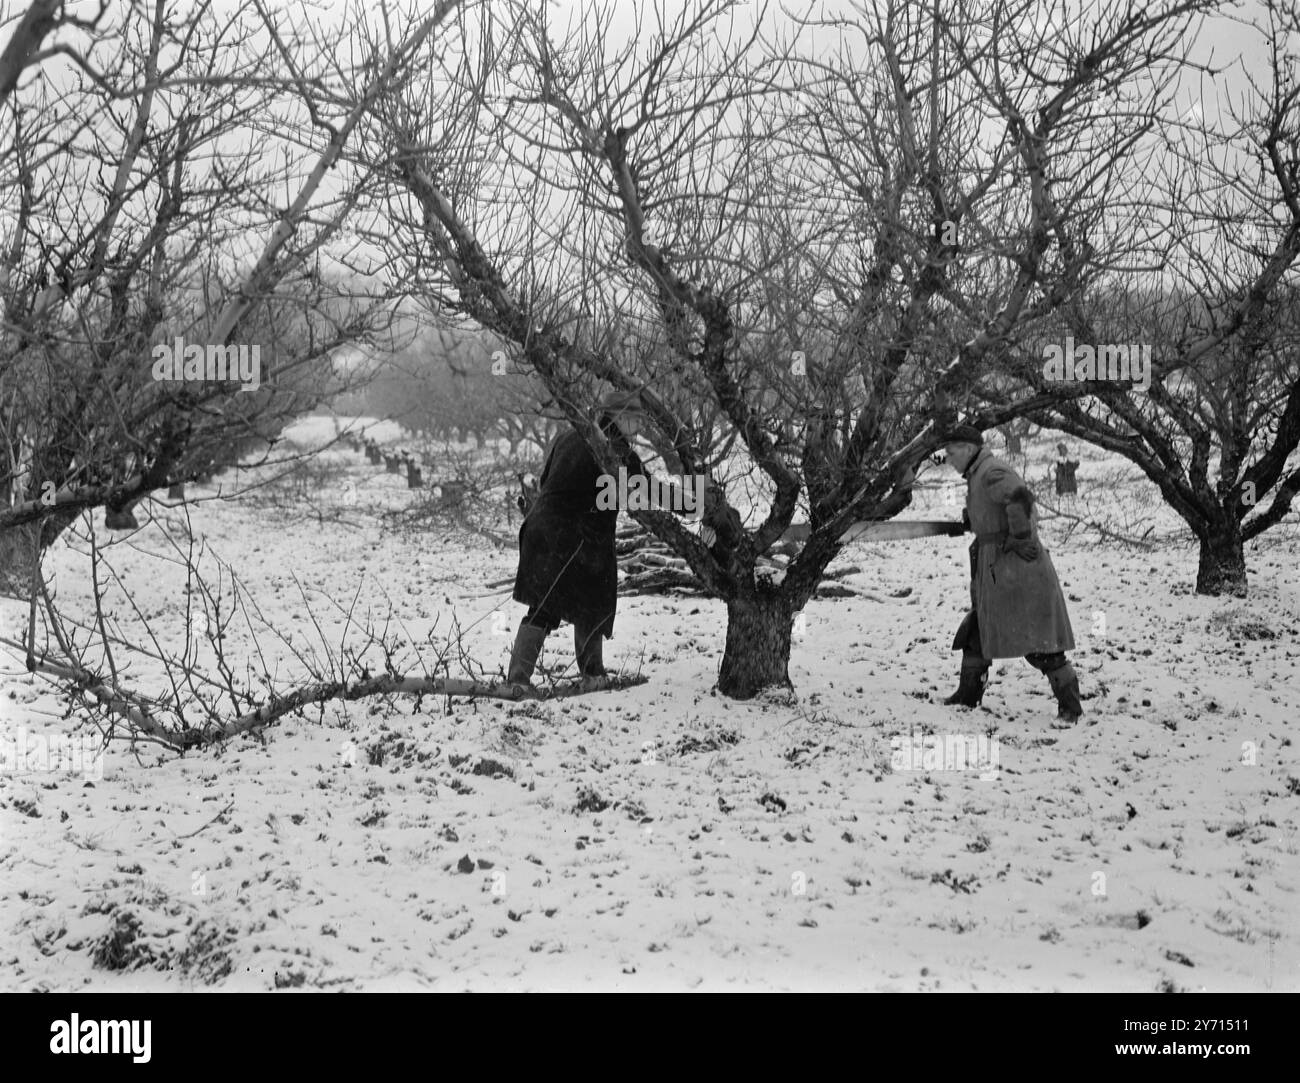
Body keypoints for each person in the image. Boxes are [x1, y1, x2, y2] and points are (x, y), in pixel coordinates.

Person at [940, 424, 1083, 723]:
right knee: (977, 632)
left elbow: (1020, 499)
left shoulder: (991, 470)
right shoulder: (978, 473)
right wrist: (976, 519)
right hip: (998, 568)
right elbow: (996, 506)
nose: (948, 459)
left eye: (952, 452)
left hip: (1018, 571)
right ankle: (967, 697)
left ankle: (1071, 708)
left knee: (1040, 644)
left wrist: (1019, 538)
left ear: (968, 449)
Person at [506, 390, 647, 690]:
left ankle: (517, 679)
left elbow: (546, 482)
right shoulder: (615, 452)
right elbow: (651, 491)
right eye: (636, 419)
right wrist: (698, 502)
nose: (641, 427)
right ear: (619, 417)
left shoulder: (569, 436)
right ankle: (593, 673)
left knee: (543, 606)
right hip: (575, 540)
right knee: (593, 602)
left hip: (539, 531)